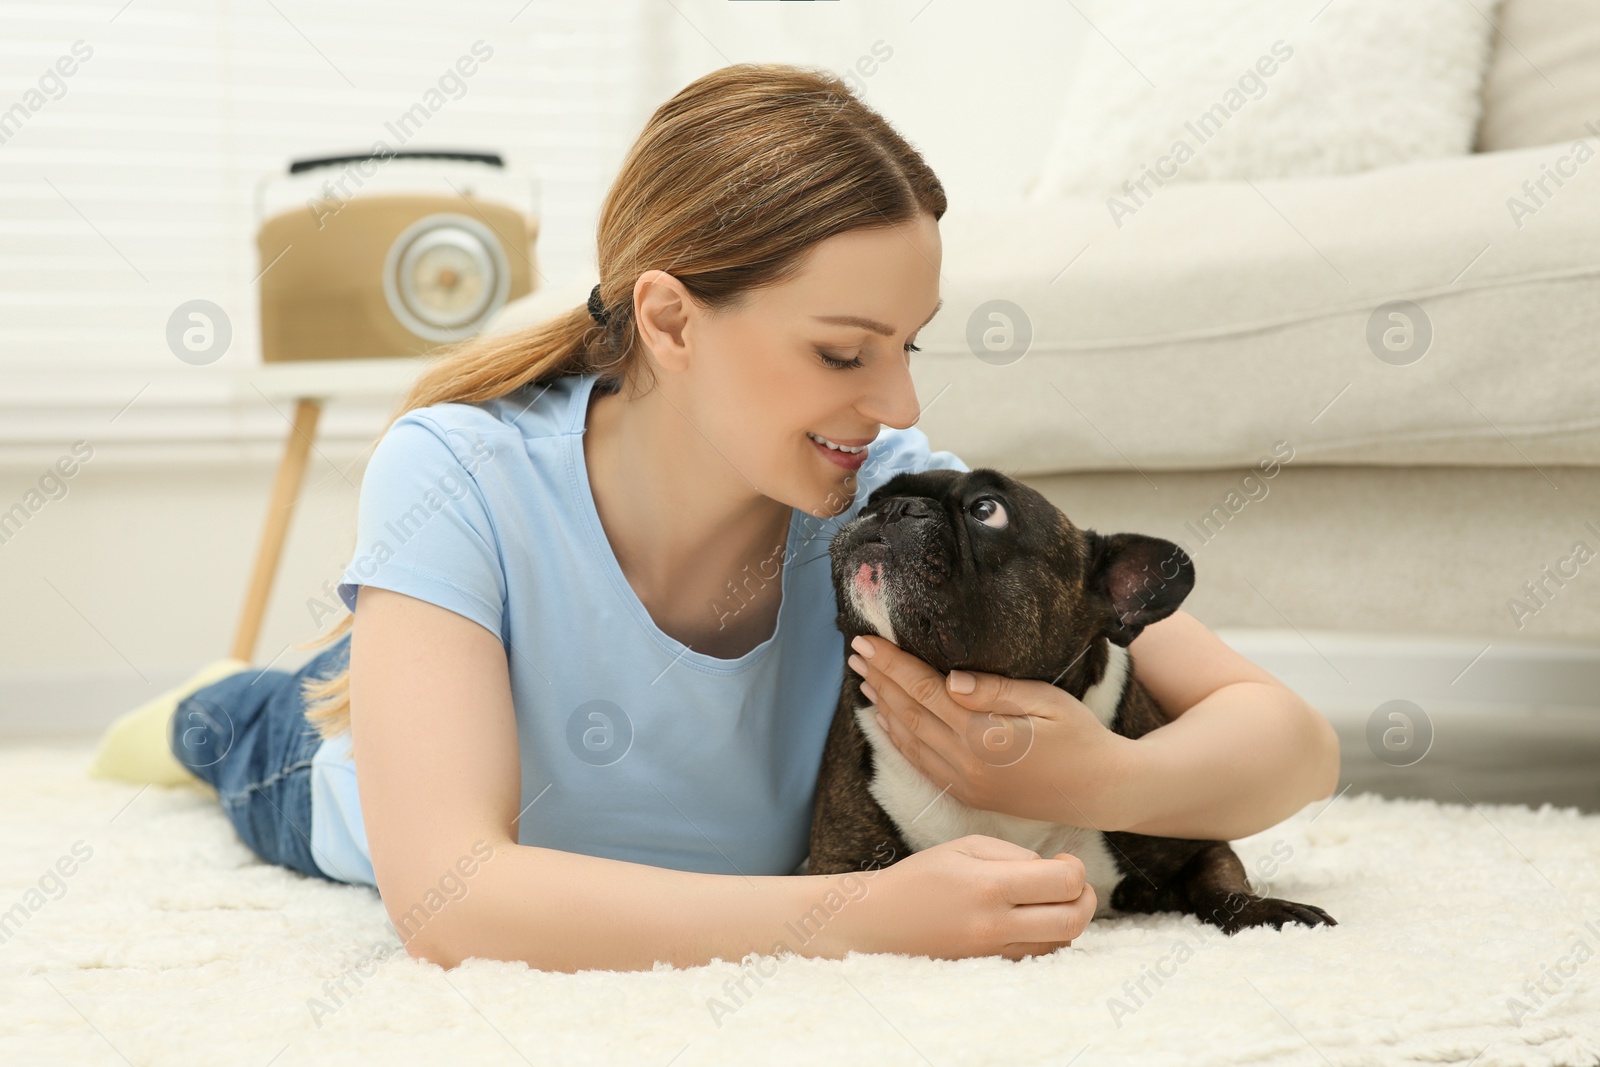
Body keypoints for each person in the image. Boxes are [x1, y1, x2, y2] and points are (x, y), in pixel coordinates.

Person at [89, 62, 1340, 974]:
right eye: (844, 349)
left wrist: (1105, 770)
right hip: (333, 763)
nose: (899, 399)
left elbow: (1293, 745)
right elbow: (452, 901)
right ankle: (209, 699)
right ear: (673, 320)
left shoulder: (889, 499)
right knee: (242, 723)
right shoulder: (457, 472)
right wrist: (859, 919)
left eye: (907, 346)